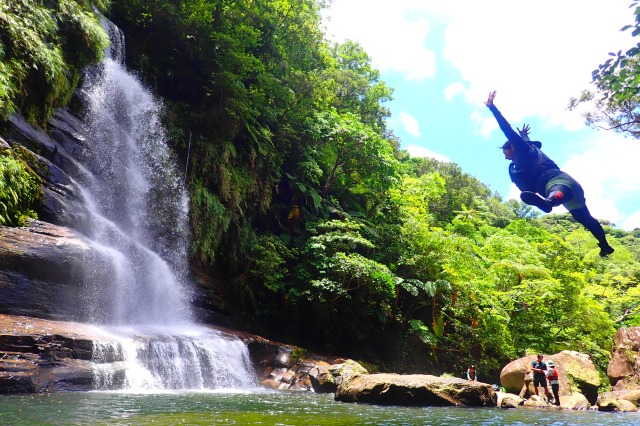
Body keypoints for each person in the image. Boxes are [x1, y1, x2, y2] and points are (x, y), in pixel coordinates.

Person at [485, 91, 615, 257]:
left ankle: (548, 203)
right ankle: (604, 245)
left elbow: (507, 130)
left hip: (558, 181)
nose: (505, 156)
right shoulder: (527, 150)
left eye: (505, 152)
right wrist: (525, 135)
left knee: (554, 193)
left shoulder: (522, 150)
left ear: (512, 147)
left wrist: (492, 108)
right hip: (570, 193)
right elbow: (525, 141)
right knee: (586, 219)